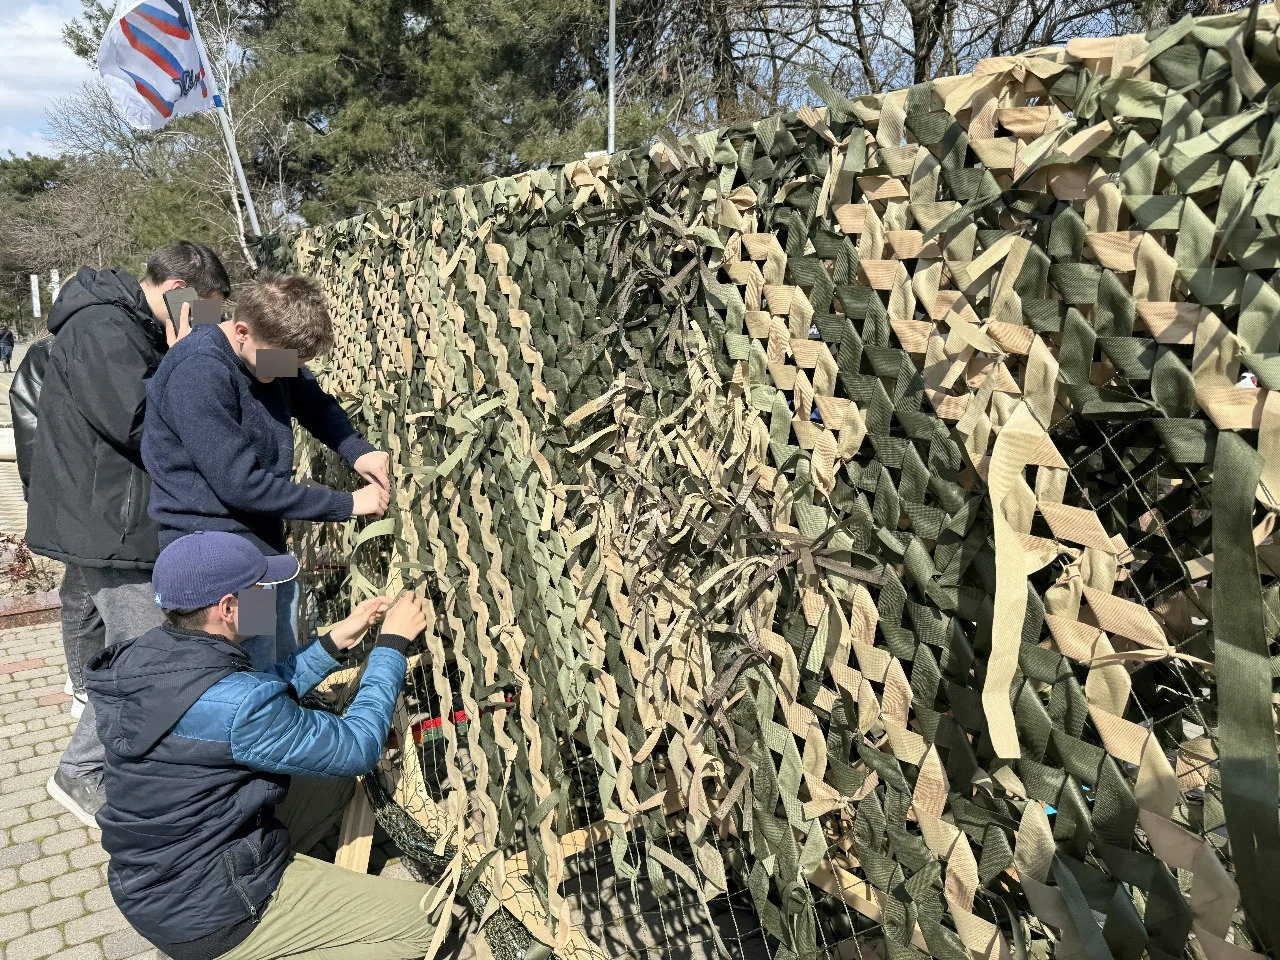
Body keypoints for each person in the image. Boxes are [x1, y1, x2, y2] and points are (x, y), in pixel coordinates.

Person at [85, 532, 440, 960]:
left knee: (333, 784)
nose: (268, 599)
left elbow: (249, 696)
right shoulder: (235, 702)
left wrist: (335, 641)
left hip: (161, 879)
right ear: (228, 608)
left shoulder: (151, 655)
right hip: (213, 913)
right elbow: (358, 746)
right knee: (429, 924)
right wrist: (392, 646)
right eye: (258, 590)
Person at [27, 241, 232, 827]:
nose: (210, 325)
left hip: (107, 513)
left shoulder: (122, 322)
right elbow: (144, 422)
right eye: (207, 310)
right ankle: (81, 771)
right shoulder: (102, 330)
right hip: (113, 522)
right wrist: (183, 356)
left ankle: (108, 735)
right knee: (147, 654)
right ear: (178, 293)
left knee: (111, 637)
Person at [142, 273, 390, 670]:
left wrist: (357, 451)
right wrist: (347, 504)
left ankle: (280, 710)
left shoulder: (269, 354)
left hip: (257, 547)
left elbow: (312, 403)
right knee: (248, 666)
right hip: (214, 557)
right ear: (242, 330)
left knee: (276, 656)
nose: (285, 372)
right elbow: (242, 485)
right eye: (280, 362)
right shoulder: (198, 371)